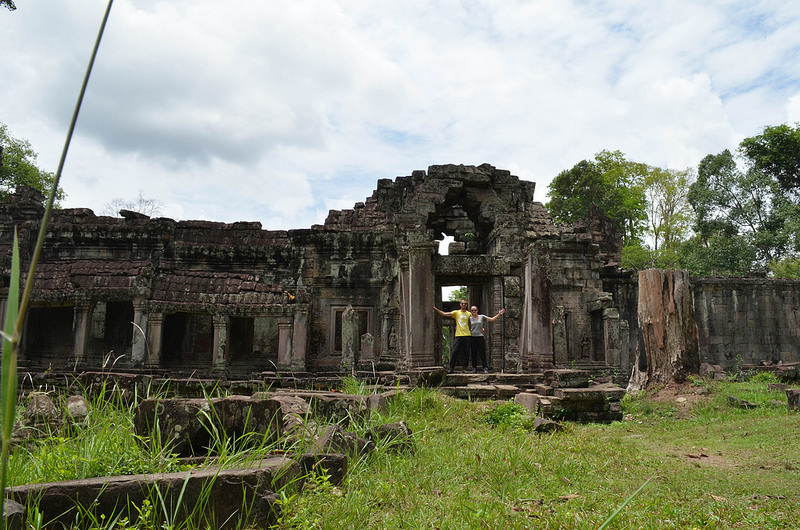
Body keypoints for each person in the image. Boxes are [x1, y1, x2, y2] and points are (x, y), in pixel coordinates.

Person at [432, 299, 472, 373]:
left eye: (465, 304)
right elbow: (444, 314)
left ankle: (464, 368)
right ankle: (451, 368)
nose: (464, 305)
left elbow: (474, 322)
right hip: (459, 335)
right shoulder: (456, 313)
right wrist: (435, 309)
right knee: (455, 351)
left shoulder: (469, 314)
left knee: (467, 352)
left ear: (467, 305)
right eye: (462, 303)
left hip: (467, 335)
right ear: (460, 304)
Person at [469, 306, 505, 373]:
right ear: (470, 311)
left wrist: (499, 314)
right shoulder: (470, 318)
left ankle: (485, 367)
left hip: (480, 336)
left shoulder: (481, 317)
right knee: (473, 353)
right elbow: (465, 325)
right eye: (472, 310)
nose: (474, 312)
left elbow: (491, 319)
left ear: (477, 310)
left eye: (475, 310)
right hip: (472, 337)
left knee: (482, 353)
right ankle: (474, 368)